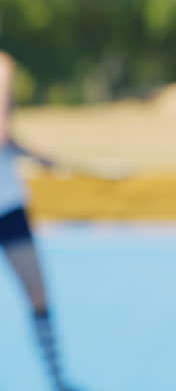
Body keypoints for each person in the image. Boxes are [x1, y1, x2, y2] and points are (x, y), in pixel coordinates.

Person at [0, 51, 81, 391]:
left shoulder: (2, 66)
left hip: (7, 203)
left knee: (38, 294)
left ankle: (58, 380)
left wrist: (36, 156)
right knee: (38, 295)